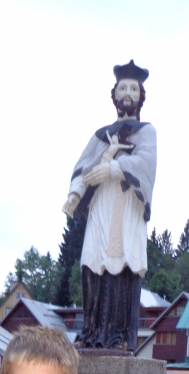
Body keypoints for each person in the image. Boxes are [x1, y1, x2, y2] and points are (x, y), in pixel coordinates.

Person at [63, 60, 157, 352]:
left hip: (125, 207)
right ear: (114, 94)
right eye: (123, 88)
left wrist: (114, 168)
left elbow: (146, 163)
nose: (128, 93)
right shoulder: (100, 135)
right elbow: (83, 167)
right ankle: (92, 332)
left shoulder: (146, 132)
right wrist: (76, 192)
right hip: (101, 207)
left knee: (121, 263)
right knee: (93, 263)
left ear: (141, 96)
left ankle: (117, 336)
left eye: (133, 89)